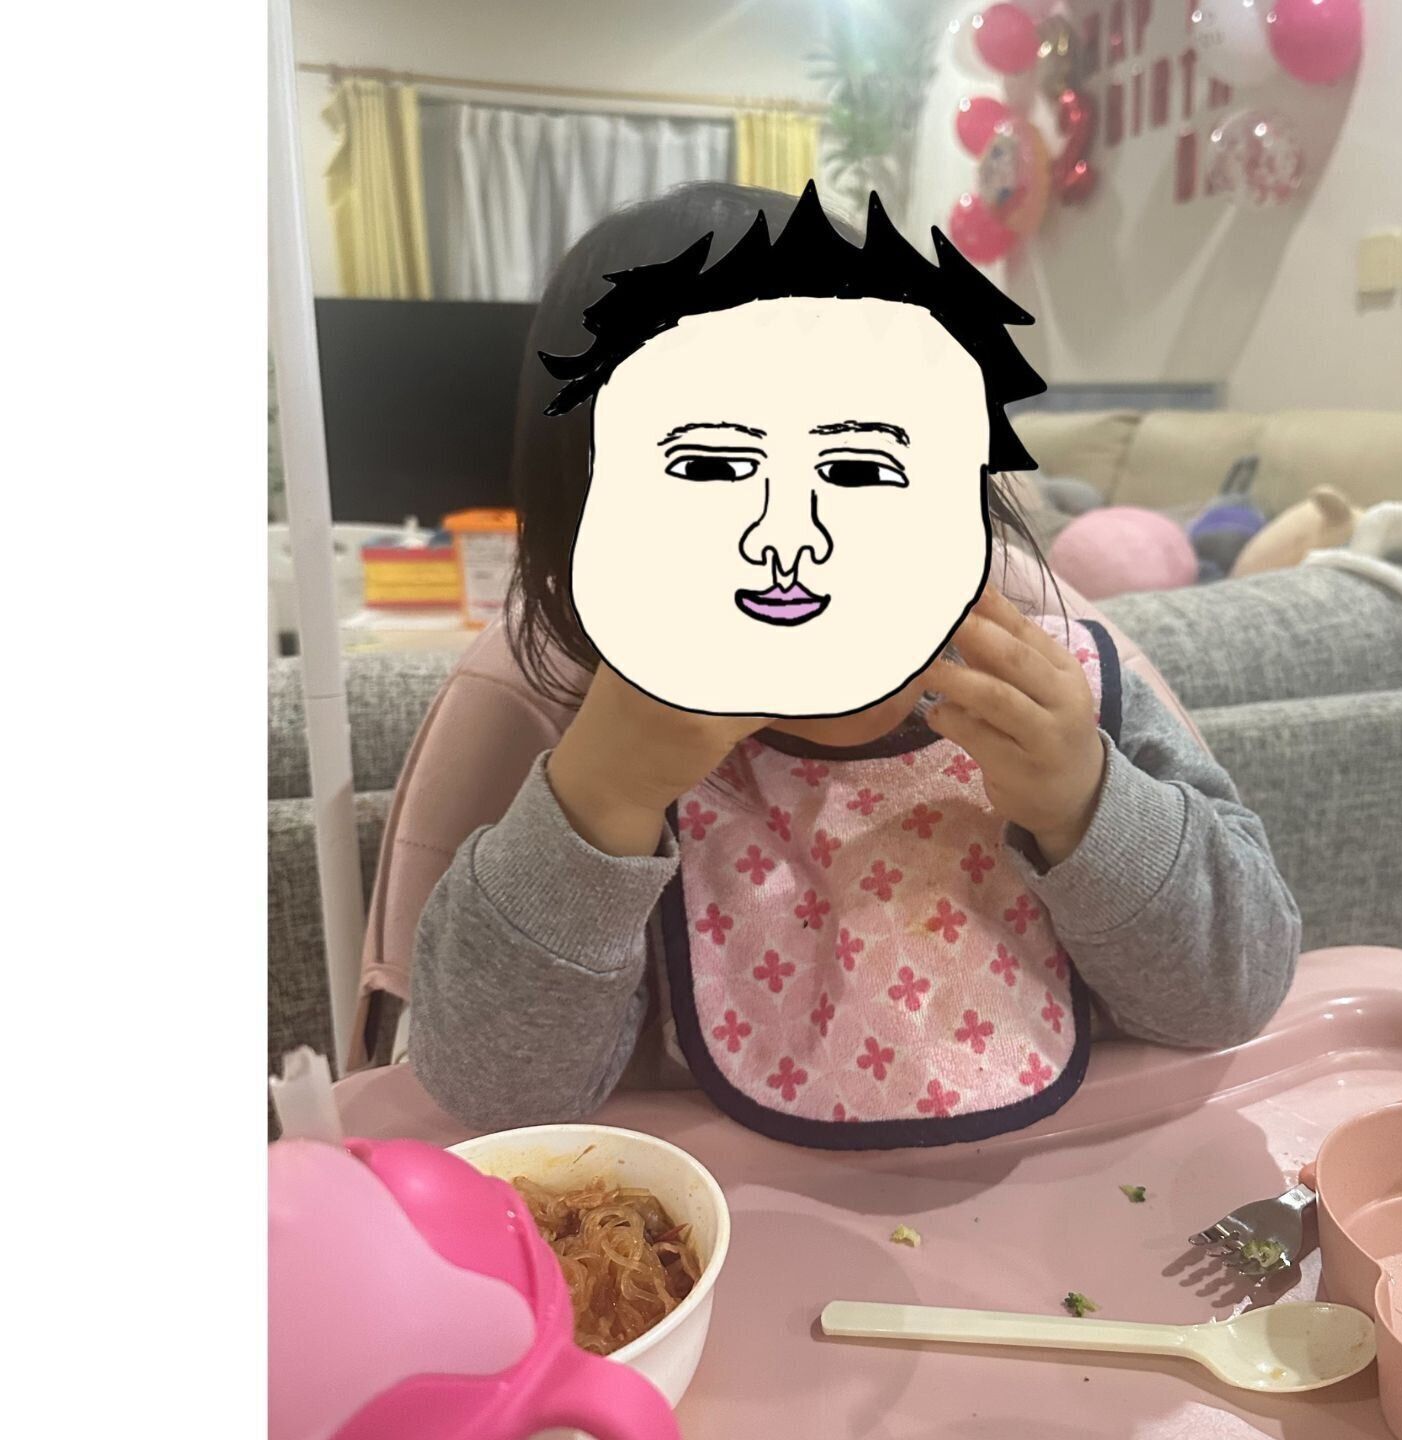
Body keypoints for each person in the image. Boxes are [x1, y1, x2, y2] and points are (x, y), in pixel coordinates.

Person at [395, 181, 1302, 1149]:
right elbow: (497, 1100)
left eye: (860, 471)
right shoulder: (614, 747)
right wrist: (599, 803)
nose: (790, 545)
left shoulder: (1061, 696)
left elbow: (1235, 993)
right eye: (708, 474)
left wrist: (1085, 804)